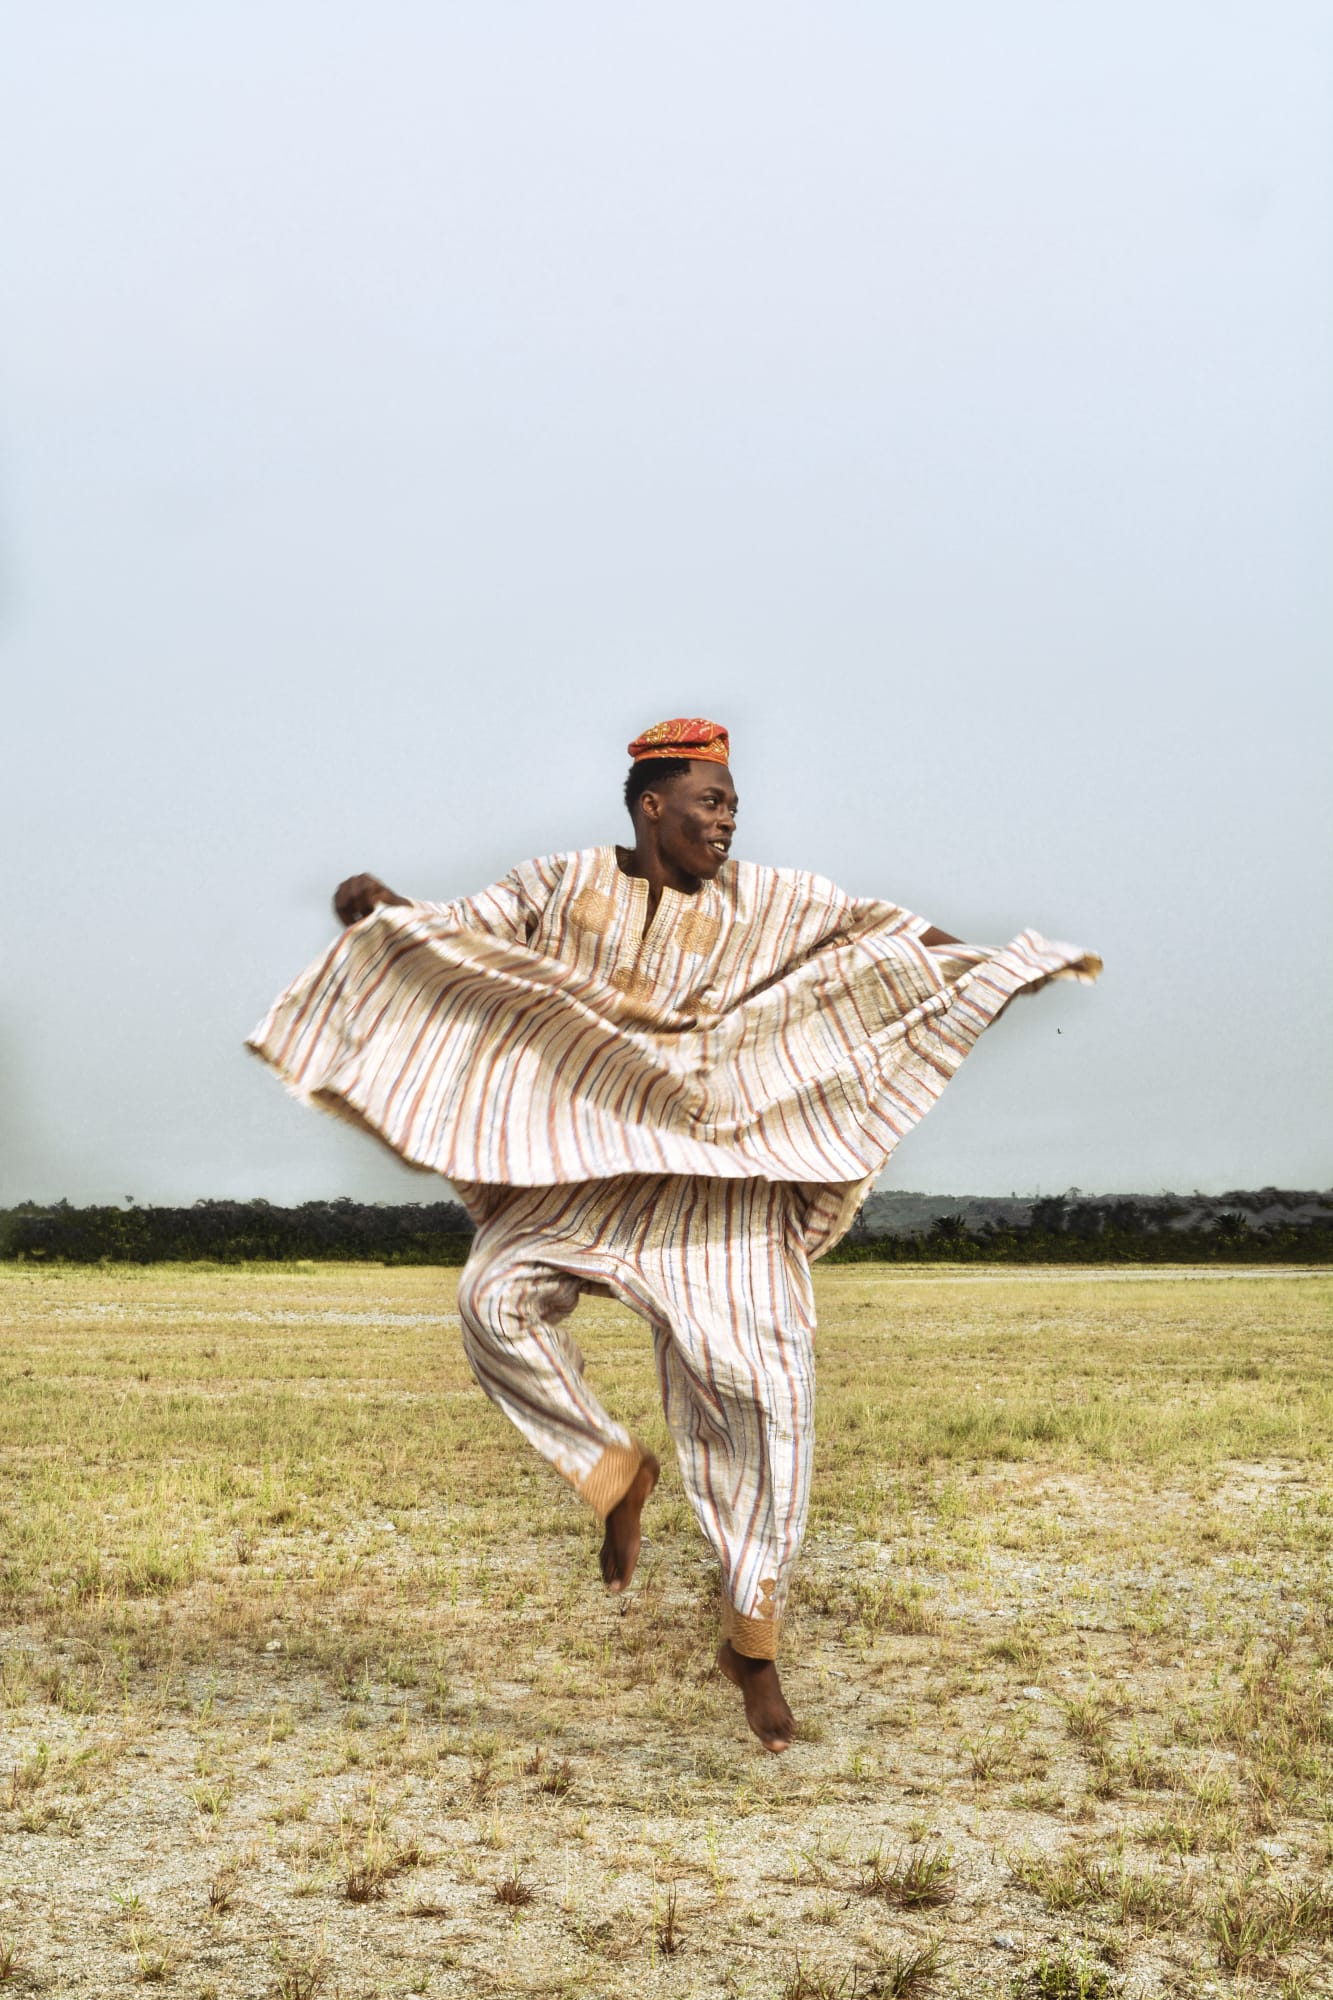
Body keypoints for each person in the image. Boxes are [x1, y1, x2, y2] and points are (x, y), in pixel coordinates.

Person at [248, 716, 1099, 1750]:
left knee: (767, 1401)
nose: (729, 819)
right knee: (490, 1297)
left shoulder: (776, 902)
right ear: (653, 804)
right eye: (712, 800)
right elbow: (461, 933)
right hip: (595, 1164)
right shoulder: (560, 884)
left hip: (724, 1178)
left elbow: (885, 938)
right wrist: (385, 912)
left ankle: (752, 1643)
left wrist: (995, 970)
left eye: (735, 802)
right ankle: (612, 1470)